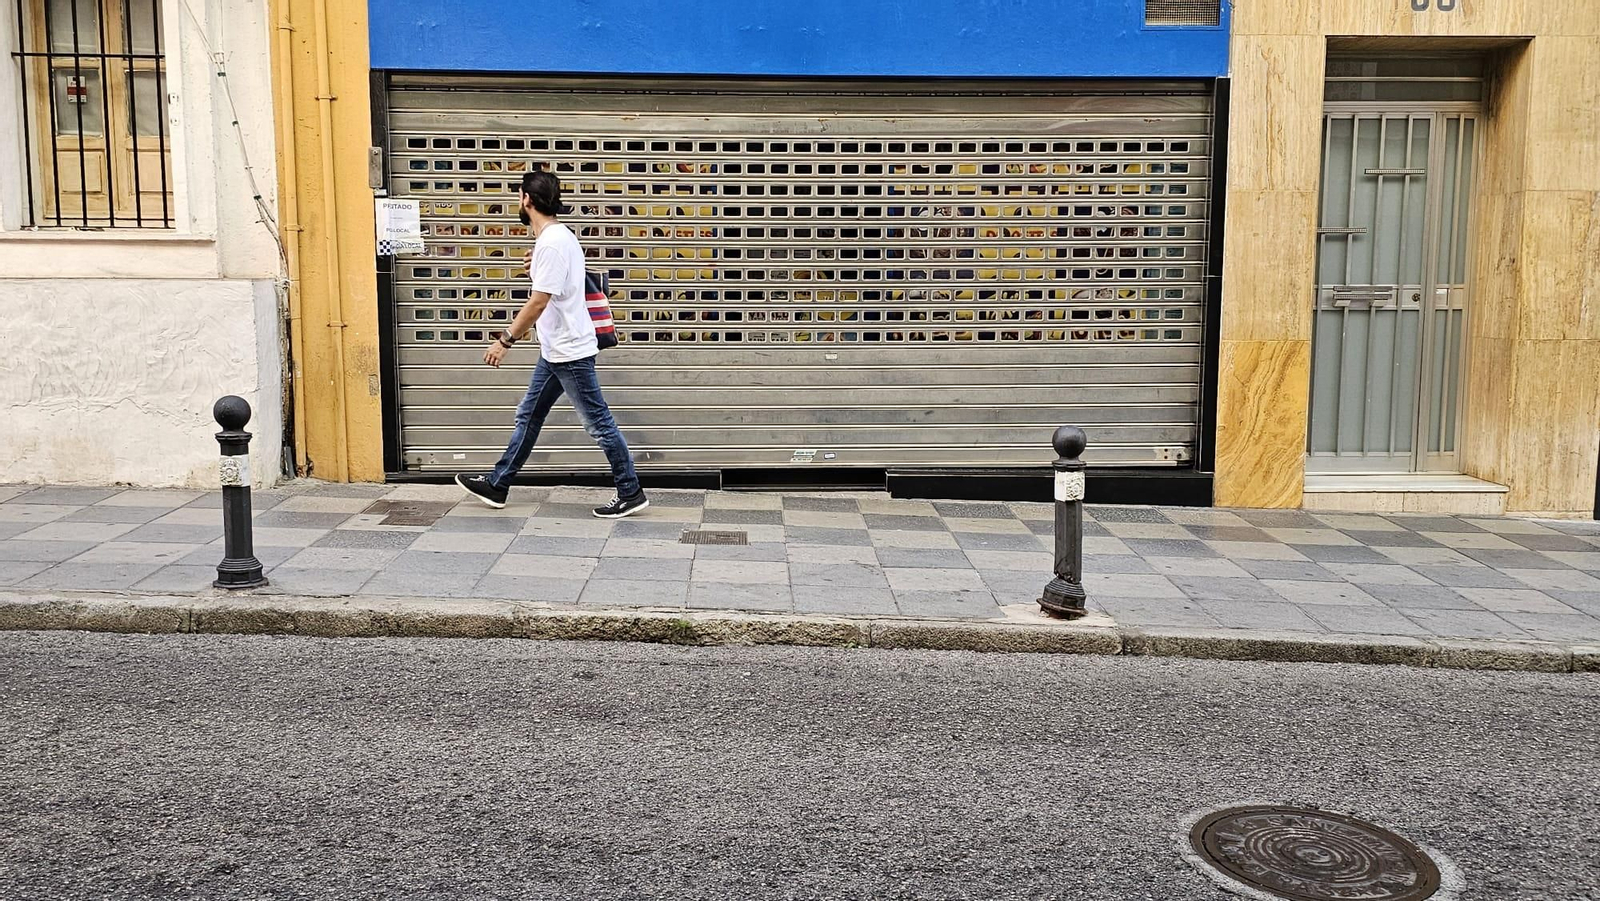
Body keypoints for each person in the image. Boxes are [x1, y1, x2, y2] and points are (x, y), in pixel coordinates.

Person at [454, 168, 649, 519]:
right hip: (556, 350)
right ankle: (498, 484)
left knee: (599, 423)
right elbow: (558, 288)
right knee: (528, 416)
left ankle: (630, 491)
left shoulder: (554, 242)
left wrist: (505, 340)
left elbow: (539, 302)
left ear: (526, 199)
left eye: (519, 195)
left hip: (570, 352)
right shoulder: (557, 238)